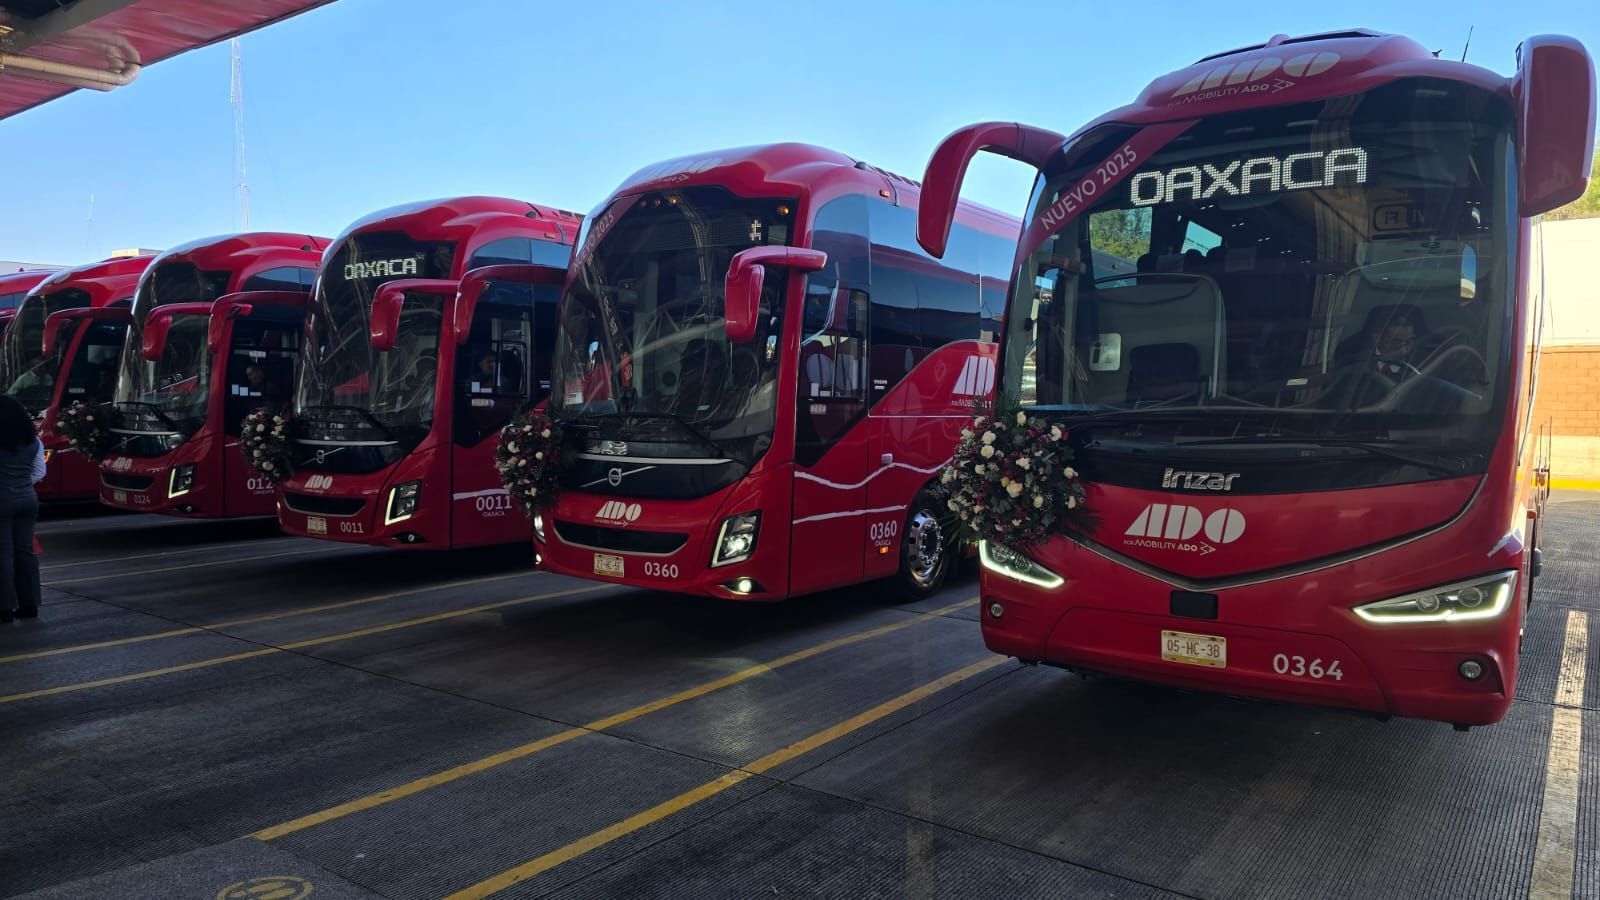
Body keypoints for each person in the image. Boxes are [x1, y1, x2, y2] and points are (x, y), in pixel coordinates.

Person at [0, 395, 44, 623]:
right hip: (28, 498)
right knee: (25, 551)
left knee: (3, 554)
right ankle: (30, 604)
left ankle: (4, 608)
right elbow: (39, 472)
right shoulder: (33, 441)